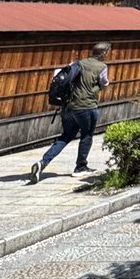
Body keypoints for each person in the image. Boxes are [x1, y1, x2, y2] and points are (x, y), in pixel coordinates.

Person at [29, 42, 111, 182]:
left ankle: (43, 162)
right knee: (86, 136)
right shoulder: (102, 67)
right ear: (104, 53)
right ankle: (80, 167)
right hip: (87, 106)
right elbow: (104, 83)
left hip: (69, 107)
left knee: (66, 136)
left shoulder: (78, 63)